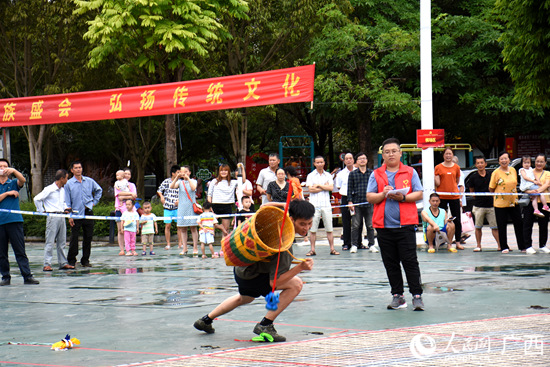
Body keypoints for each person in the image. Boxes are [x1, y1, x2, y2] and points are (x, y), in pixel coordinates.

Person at [193, 199, 315, 342]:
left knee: (245, 298)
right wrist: (300, 268)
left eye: (309, 223)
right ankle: (265, 325)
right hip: (253, 276)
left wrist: (284, 206)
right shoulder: (284, 244)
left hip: (241, 271)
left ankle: (206, 320)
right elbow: (275, 282)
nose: (306, 228)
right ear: (292, 219)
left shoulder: (277, 220)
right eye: (302, 224)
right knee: (296, 284)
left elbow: (263, 206)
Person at [366, 138, 424, 311]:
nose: (390, 154)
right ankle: (397, 296)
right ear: (382, 155)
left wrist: (403, 197)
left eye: (394, 151)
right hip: (384, 227)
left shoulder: (410, 172)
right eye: (387, 151)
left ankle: (417, 296)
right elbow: (370, 197)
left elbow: (419, 193)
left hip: (405, 225)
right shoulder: (376, 174)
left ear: (400, 153)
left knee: (410, 261)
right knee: (390, 263)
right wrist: (382, 195)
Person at [0, 159, 39, 285]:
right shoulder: (7, 188)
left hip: (14, 221)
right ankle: (5, 277)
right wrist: (7, 193)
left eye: (5, 166)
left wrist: (15, 171)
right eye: (0, 166)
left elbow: (23, 181)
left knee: (20, 250)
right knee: (1, 252)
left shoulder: (13, 183)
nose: (3, 168)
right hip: (0, 223)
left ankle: (27, 276)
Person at [33, 169, 74, 271]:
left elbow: (63, 202)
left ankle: (63, 263)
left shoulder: (63, 190)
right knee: (50, 241)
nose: (67, 180)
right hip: (52, 216)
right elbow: (37, 199)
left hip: (61, 216)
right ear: (62, 178)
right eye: (66, 178)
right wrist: (41, 210)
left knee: (62, 242)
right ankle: (47, 263)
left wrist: (67, 210)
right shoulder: (49, 189)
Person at [64, 161, 103, 267]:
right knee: (74, 237)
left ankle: (85, 260)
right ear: (72, 170)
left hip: (88, 212)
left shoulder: (89, 181)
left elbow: (99, 190)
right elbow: (67, 201)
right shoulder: (68, 184)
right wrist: (69, 216)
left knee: (88, 237)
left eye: (80, 167)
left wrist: (94, 202)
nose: (78, 169)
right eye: (76, 168)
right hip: (76, 213)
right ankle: (72, 259)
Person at [489, 151, 525, 254]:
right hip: (500, 203)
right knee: (501, 225)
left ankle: (522, 246)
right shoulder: (495, 172)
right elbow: (491, 188)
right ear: (499, 161)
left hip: (513, 202)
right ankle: (504, 246)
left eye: (506, 158)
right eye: (501, 159)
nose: (504, 161)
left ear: (509, 160)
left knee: (518, 223)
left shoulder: (513, 170)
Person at [305, 156, 339, 256]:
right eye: (317, 162)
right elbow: (310, 190)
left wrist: (318, 186)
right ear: (314, 164)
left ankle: (332, 248)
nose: (320, 164)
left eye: (321, 162)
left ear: (324, 163)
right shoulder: (310, 175)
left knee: (329, 228)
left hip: (326, 205)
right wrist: (324, 186)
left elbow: (331, 187)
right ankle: (312, 249)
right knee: (313, 229)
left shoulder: (328, 175)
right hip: (314, 205)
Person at [467, 156, 500, 252]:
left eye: (482, 162)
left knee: (495, 227)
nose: (480, 165)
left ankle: (499, 245)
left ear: (485, 164)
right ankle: (478, 245)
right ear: (476, 165)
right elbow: (472, 191)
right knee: (478, 227)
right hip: (478, 206)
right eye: (478, 163)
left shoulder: (491, 174)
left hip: (491, 206)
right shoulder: (473, 177)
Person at [348, 152, 377, 253]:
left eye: (364, 158)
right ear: (357, 161)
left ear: (367, 160)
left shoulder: (372, 173)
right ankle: (354, 245)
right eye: (360, 159)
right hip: (357, 203)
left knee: (370, 225)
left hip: (369, 203)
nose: (362, 160)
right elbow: (349, 189)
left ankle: (372, 244)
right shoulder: (352, 174)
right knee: (355, 225)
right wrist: (350, 202)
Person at [434, 147, 463, 249]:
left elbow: (457, 180)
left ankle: (458, 241)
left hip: (454, 196)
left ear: (453, 155)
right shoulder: (438, 167)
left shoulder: (456, 167)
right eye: (446, 154)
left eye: (450, 154)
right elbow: (437, 182)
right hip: (441, 196)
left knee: (457, 220)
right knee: (442, 220)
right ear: (443, 155)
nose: (448, 156)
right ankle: (443, 241)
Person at [522, 153, 550, 254]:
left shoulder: (547, 173)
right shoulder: (528, 171)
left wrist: (536, 191)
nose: (539, 163)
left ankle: (542, 245)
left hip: (544, 203)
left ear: (545, 163)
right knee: (527, 224)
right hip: (531, 201)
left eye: (541, 161)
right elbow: (524, 186)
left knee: (543, 224)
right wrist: (529, 192)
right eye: (537, 161)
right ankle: (528, 246)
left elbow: (546, 184)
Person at [207, 163, 245, 235]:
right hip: (215, 205)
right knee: (211, 227)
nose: (223, 172)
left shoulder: (233, 182)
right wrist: (209, 207)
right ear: (219, 172)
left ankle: (223, 245)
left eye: (225, 170)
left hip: (227, 206)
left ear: (228, 172)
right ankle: (211, 243)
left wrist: (242, 168)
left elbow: (242, 181)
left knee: (226, 229)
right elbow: (209, 195)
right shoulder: (214, 181)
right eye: (221, 170)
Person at [170, 165, 199, 255]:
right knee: (183, 228)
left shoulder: (193, 181)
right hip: (182, 206)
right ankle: (184, 248)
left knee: (193, 227)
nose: (184, 173)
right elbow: (171, 187)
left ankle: (195, 247)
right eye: (182, 172)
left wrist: (188, 179)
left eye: (186, 171)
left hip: (191, 206)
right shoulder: (180, 182)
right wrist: (176, 178)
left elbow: (193, 188)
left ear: (189, 172)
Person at [335, 153, 355, 251]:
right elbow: (339, 187)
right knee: (346, 221)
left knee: (357, 222)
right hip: (345, 198)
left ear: (353, 160)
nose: (348, 160)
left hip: (356, 198)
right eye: (346, 159)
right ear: (344, 161)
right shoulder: (340, 174)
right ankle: (346, 243)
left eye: (350, 158)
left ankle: (357, 242)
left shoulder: (358, 172)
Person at [157, 165, 181, 250]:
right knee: (168, 225)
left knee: (179, 226)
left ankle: (180, 243)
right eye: (178, 172)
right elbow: (159, 190)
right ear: (173, 173)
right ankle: (168, 244)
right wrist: (162, 197)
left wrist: (180, 200)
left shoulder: (180, 182)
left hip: (177, 208)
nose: (179, 174)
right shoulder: (166, 181)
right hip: (167, 207)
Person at [114, 169, 137, 256]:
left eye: (128, 174)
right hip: (119, 208)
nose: (127, 175)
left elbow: (134, 196)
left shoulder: (132, 185)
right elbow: (119, 195)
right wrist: (130, 194)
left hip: (131, 210)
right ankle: (122, 249)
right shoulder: (117, 183)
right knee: (120, 230)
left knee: (131, 230)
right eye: (125, 173)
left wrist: (128, 195)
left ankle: (132, 249)